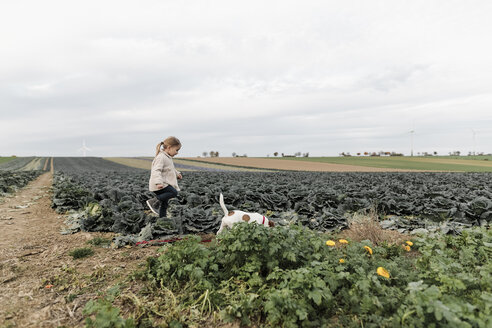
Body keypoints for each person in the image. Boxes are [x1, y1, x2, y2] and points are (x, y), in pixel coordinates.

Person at [146, 136, 182, 218]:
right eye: (176, 150)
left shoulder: (167, 157)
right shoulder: (161, 157)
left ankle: (162, 218)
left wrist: (177, 174)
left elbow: (170, 169)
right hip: (160, 184)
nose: (177, 153)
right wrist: (158, 182)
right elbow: (156, 170)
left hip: (163, 184)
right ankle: (154, 201)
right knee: (173, 192)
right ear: (169, 148)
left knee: (164, 203)